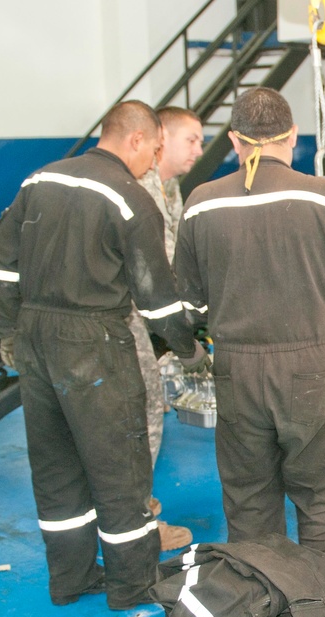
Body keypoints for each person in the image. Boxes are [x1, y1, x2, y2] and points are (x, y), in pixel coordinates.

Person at [0, 100, 211, 611]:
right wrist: (188, 348)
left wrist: (11, 330)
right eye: (153, 150)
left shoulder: (39, 180)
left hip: (37, 340)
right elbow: (158, 300)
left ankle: (70, 579)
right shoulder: (131, 199)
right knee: (120, 467)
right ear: (133, 140)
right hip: (96, 343)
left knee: (56, 465)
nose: (154, 162)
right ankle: (132, 585)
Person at [175, 87, 325, 557]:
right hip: (310, 368)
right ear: (292, 136)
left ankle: (264, 604)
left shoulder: (200, 202)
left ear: (235, 141)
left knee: (249, 503)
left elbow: (190, 302)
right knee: (324, 501)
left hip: (236, 372)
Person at [126, 106, 204, 551]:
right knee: (145, 413)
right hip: (130, 318)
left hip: (144, 317)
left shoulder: (167, 187)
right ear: (162, 140)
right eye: (190, 139)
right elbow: (153, 271)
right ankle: (138, 525)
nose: (198, 148)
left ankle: (133, 509)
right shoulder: (142, 189)